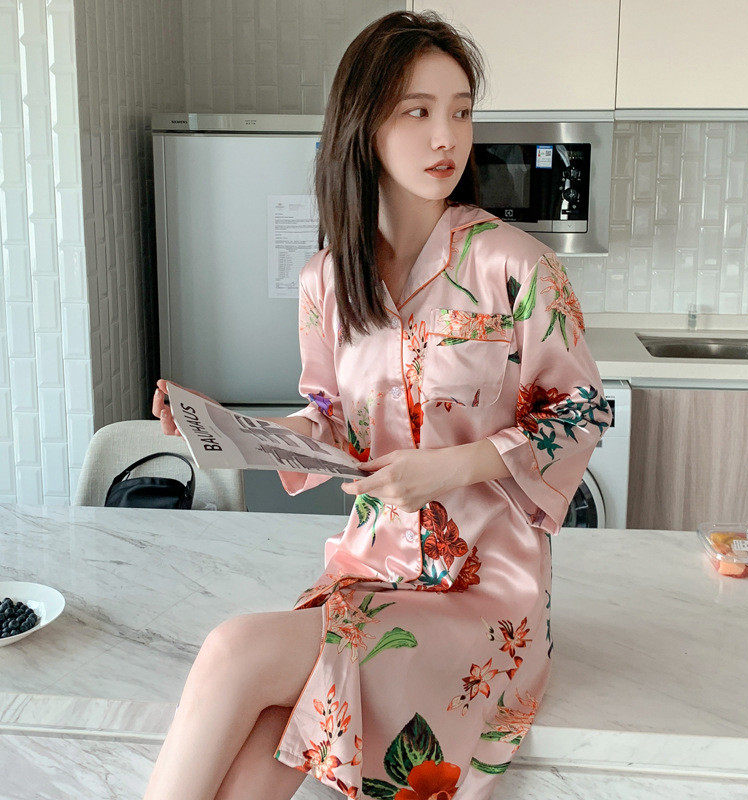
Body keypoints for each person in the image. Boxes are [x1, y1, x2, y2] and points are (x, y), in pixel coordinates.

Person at [145, 10, 613, 800]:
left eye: (460, 111)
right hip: (372, 571)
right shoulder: (328, 281)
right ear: (363, 127)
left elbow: (583, 411)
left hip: (484, 598)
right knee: (265, 734)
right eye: (417, 111)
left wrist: (450, 468)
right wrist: (228, 433)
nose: (446, 137)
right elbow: (327, 420)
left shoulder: (514, 264)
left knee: (235, 650)